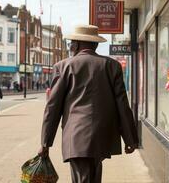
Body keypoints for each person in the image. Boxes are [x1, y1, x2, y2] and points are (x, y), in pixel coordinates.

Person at [38, 25, 139, 183]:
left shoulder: (63, 67)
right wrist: (130, 139)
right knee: (93, 177)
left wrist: (45, 143)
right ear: (96, 44)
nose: (70, 46)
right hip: (103, 135)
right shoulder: (112, 66)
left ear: (77, 45)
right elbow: (122, 105)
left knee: (83, 178)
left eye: (72, 42)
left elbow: (53, 108)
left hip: (76, 137)